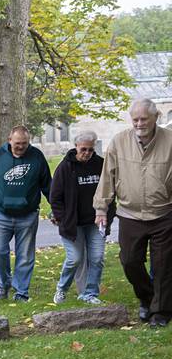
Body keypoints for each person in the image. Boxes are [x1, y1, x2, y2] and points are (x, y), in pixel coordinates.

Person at [93, 98, 172, 328]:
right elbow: (108, 176)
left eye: (143, 119)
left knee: (165, 265)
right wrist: (101, 207)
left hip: (164, 213)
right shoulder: (119, 141)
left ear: (156, 117)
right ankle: (147, 298)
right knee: (129, 261)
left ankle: (161, 311)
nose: (139, 123)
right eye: (135, 119)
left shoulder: (169, 141)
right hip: (130, 213)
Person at [0, 125, 51, 302]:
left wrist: (57, 208)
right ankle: (4, 282)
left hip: (27, 215)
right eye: (17, 143)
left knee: (25, 256)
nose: (21, 147)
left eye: (25, 143)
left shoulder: (37, 157)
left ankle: (21, 291)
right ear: (9, 141)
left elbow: (47, 185)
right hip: (0, 215)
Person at [50, 131, 115, 305]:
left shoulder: (101, 165)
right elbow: (55, 197)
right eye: (83, 149)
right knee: (74, 259)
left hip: (96, 222)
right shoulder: (65, 167)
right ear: (76, 147)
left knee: (97, 259)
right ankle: (62, 289)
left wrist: (109, 215)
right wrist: (62, 218)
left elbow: (111, 192)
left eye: (90, 150)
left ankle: (90, 293)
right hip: (73, 224)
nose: (86, 153)